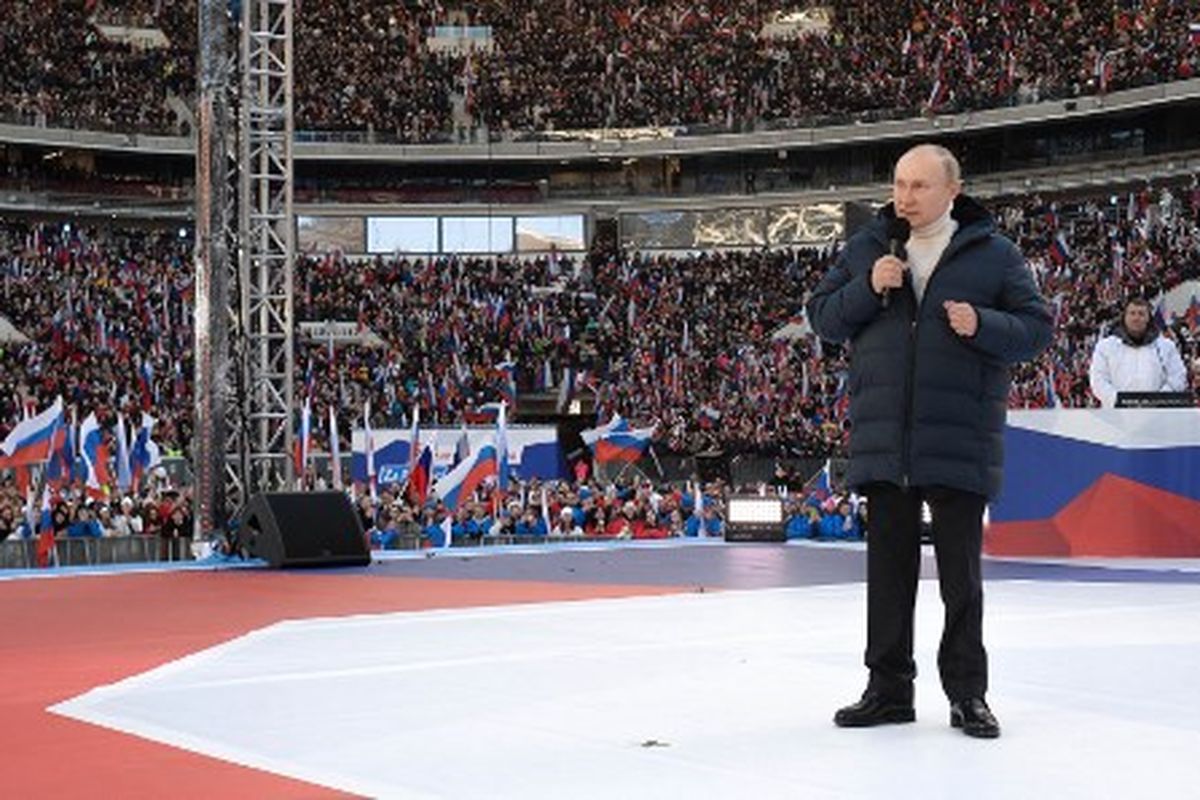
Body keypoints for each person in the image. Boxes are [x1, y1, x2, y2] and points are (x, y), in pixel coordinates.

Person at [807, 143, 1053, 739]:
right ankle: (888, 690)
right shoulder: (868, 247)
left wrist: (983, 324)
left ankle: (968, 695)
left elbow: (1035, 331)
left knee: (960, 581)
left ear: (952, 189)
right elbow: (823, 317)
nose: (905, 197)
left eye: (918, 186)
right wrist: (868, 286)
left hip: (958, 438)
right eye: (898, 184)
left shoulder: (994, 254)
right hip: (886, 438)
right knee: (887, 577)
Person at [1088, 297, 1189, 407]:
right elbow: (1098, 379)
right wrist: (1118, 401)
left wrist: (1158, 401)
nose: (1136, 318)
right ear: (1124, 317)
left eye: (1141, 314)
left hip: (1157, 416)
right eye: (1132, 313)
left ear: (1148, 318)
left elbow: (1177, 377)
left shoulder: (1166, 346)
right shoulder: (1106, 347)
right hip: (1117, 416)